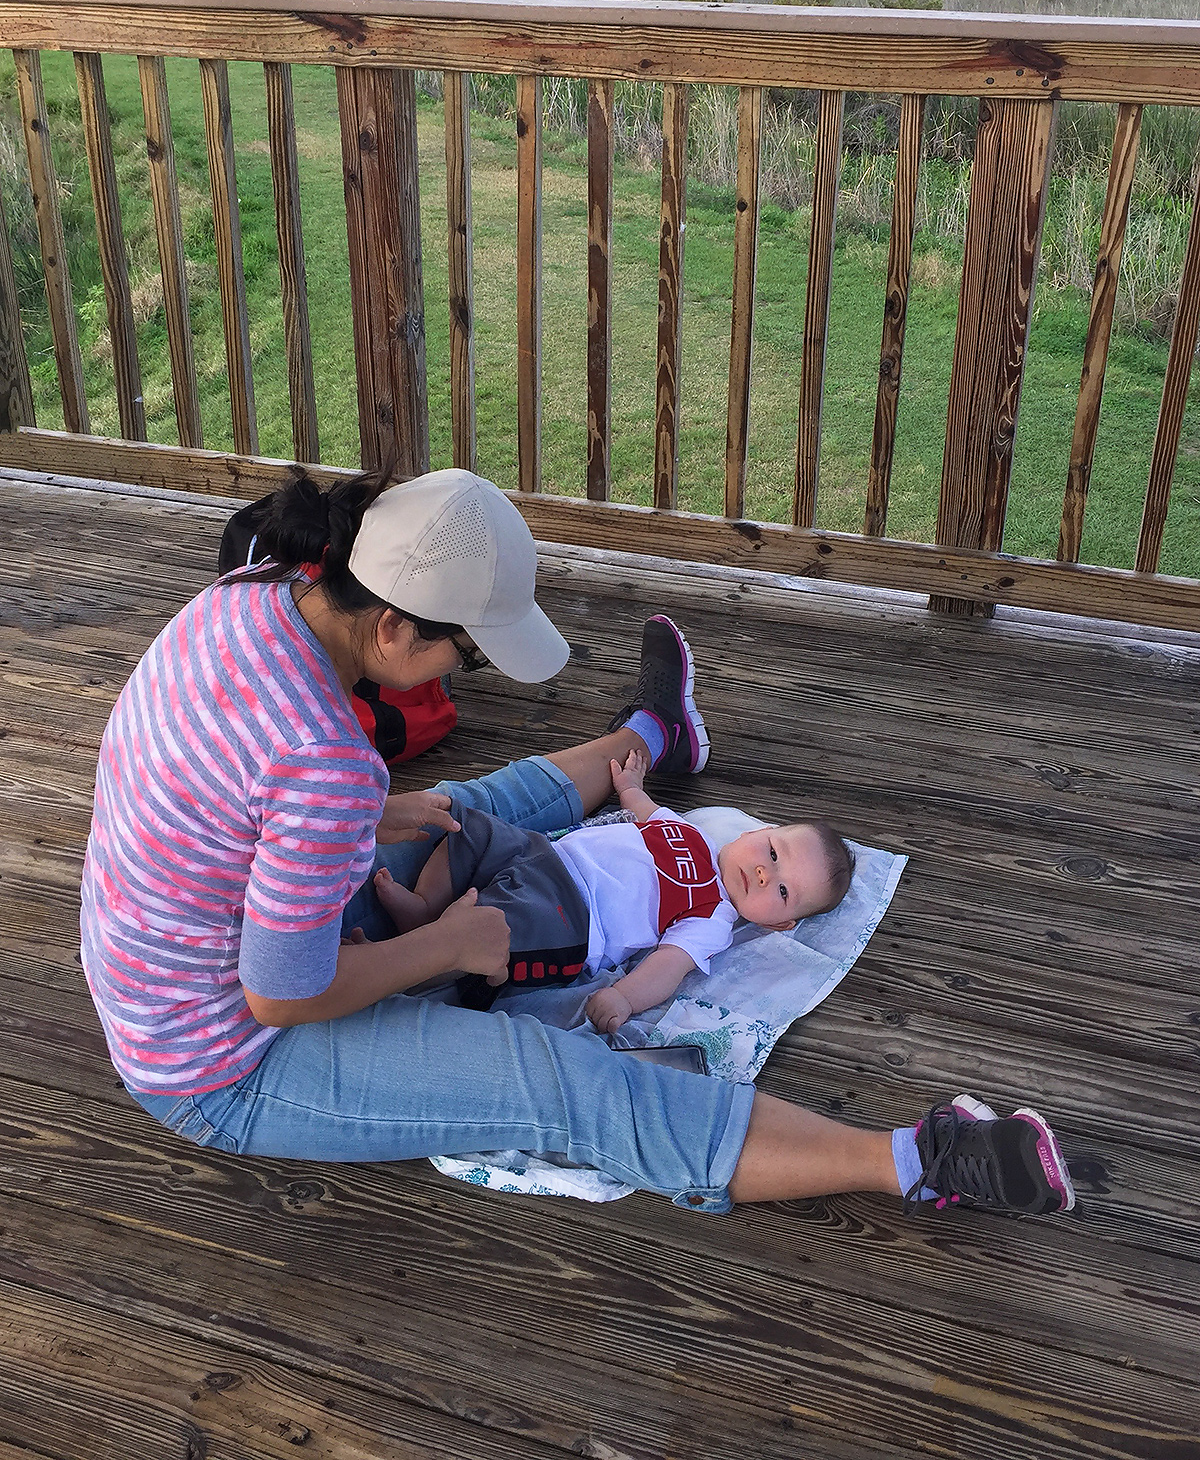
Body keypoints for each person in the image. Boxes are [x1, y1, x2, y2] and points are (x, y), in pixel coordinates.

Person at [80, 464, 1075, 1219]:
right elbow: (282, 992)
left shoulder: (249, 595)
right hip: (225, 1061)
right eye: (462, 651)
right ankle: (916, 1161)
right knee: (552, 1083)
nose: (461, 674)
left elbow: (231, 787)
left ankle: (654, 737)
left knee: (459, 808)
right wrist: (448, 948)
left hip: (175, 964)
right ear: (391, 626)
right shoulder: (321, 758)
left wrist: (383, 815)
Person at [370, 742, 855, 1028]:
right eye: (772, 852)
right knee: (469, 829)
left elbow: (669, 967)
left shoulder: (713, 915)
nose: (767, 873)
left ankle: (411, 963)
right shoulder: (689, 832)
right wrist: (629, 787)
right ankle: (425, 906)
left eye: (784, 891)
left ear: (779, 922)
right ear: (754, 831)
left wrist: (624, 997)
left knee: (495, 934)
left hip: (570, 919)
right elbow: (645, 813)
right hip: (542, 854)